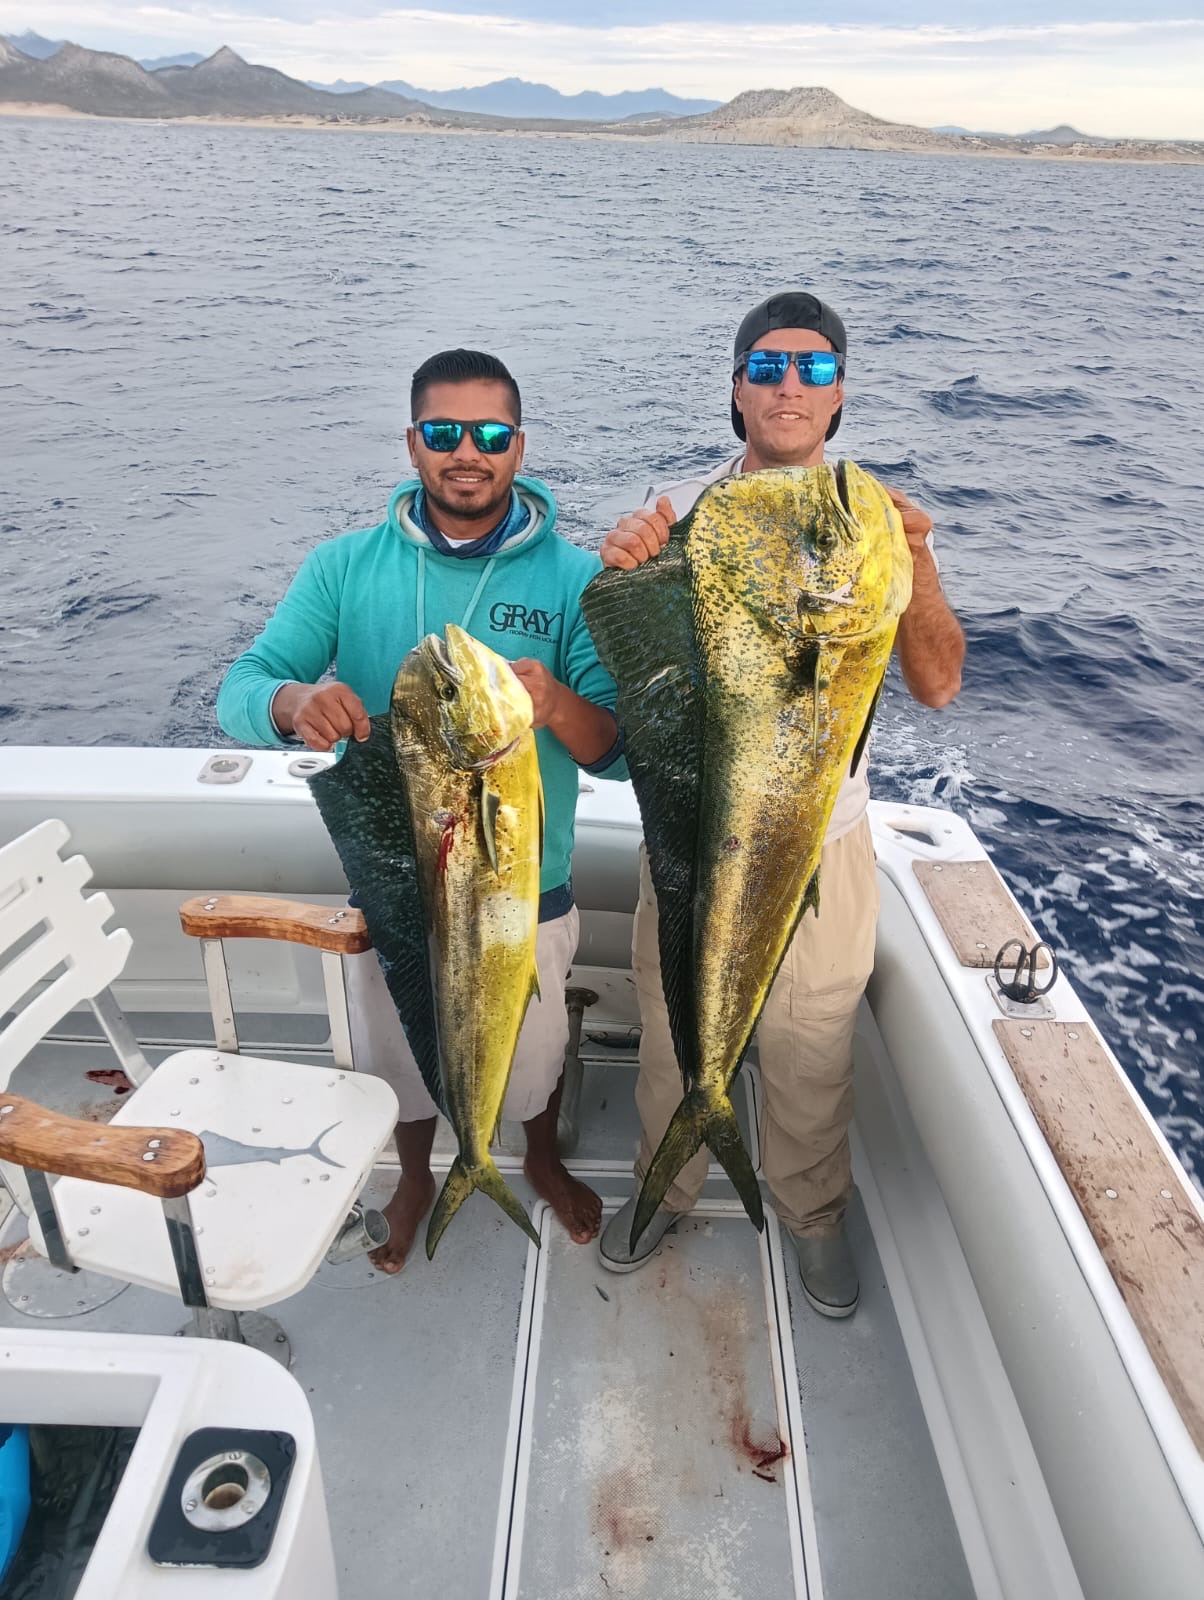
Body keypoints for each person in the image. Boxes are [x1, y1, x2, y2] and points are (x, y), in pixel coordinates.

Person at [595, 292, 965, 1316]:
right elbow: (629, 676)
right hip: (692, 829)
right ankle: (667, 1185)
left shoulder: (874, 521)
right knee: (676, 1036)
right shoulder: (680, 508)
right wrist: (623, 573)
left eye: (811, 367)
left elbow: (937, 683)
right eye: (766, 366)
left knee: (812, 1044)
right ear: (734, 388)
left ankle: (810, 1214)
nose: (788, 385)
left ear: (840, 391)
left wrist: (919, 564)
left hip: (823, 837)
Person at [217, 348, 624, 1272]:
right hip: (393, 890)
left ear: (520, 447)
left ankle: (537, 1158)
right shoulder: (342, 567)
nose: (466, 453)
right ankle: (415, 1175)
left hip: (528, 889)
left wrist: (555, 705)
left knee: (532, 1051)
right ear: (412, 445)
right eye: (444, 434)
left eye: (489, 434)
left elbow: (621, 753)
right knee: (398, 1055)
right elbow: (242, 686)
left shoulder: (574, 577)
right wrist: (290, 706)